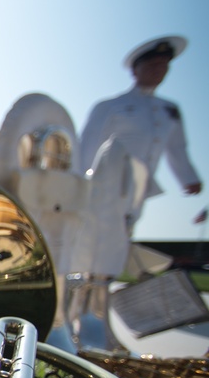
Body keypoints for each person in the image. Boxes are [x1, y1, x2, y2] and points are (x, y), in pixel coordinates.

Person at [76, 35, 202, 233]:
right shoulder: (110, 106)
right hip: (105, 186)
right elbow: (87, 146)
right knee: (95, 235)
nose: (158, 69)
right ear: (135, 71)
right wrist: (79, 186)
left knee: (124, 235)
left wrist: (188, 178)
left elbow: (177, 147)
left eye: (163, 65)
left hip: (140, 188)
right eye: (152, 64)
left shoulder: (169, 110)